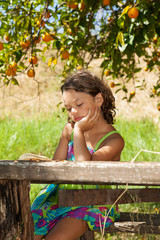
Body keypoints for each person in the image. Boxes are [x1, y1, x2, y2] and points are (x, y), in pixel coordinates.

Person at [31, 70, 125, 240]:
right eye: (68, 108)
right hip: (59, 200)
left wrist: (79, 130)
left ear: (98, 100)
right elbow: (56, 169)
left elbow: (84, 169)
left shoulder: (113, 140)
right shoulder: (69, 130)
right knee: (22, 235)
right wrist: (72, 132)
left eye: (79, 105)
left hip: (90, 204)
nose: (73, 112)